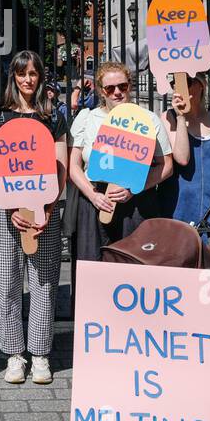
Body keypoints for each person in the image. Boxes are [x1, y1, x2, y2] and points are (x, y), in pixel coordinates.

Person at [0, 50, 68, 385]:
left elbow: (60, 167)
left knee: (44, 284)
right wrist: (9, 208)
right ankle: (15, 354)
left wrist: (48, 209)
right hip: (7, 215)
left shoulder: (53, 117)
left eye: (33, 73)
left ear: (41, 76)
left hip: (44, 213)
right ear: (13, 77)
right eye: (22, 74)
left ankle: (40, 354)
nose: (28, 80)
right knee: (7, 285)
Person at [69, 61, 173, 272]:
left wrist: (134, 189)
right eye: (110, 88)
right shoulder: (88, 118)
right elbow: (73, 166)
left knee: (132, 268)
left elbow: (166, 165)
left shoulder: (149, 119)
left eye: (122, 87)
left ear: (130, 87)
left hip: (135, 203)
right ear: (101, 91)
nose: (117, 92)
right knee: (93, 270)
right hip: (95, 202)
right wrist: (93, 195)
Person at [161, 73, 210, 237]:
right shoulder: (168, 118)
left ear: (201, 85)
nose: (181, 89)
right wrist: (180, 117)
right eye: (175, 84)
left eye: (187, 82)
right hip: (179, 208)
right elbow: (182, 158)